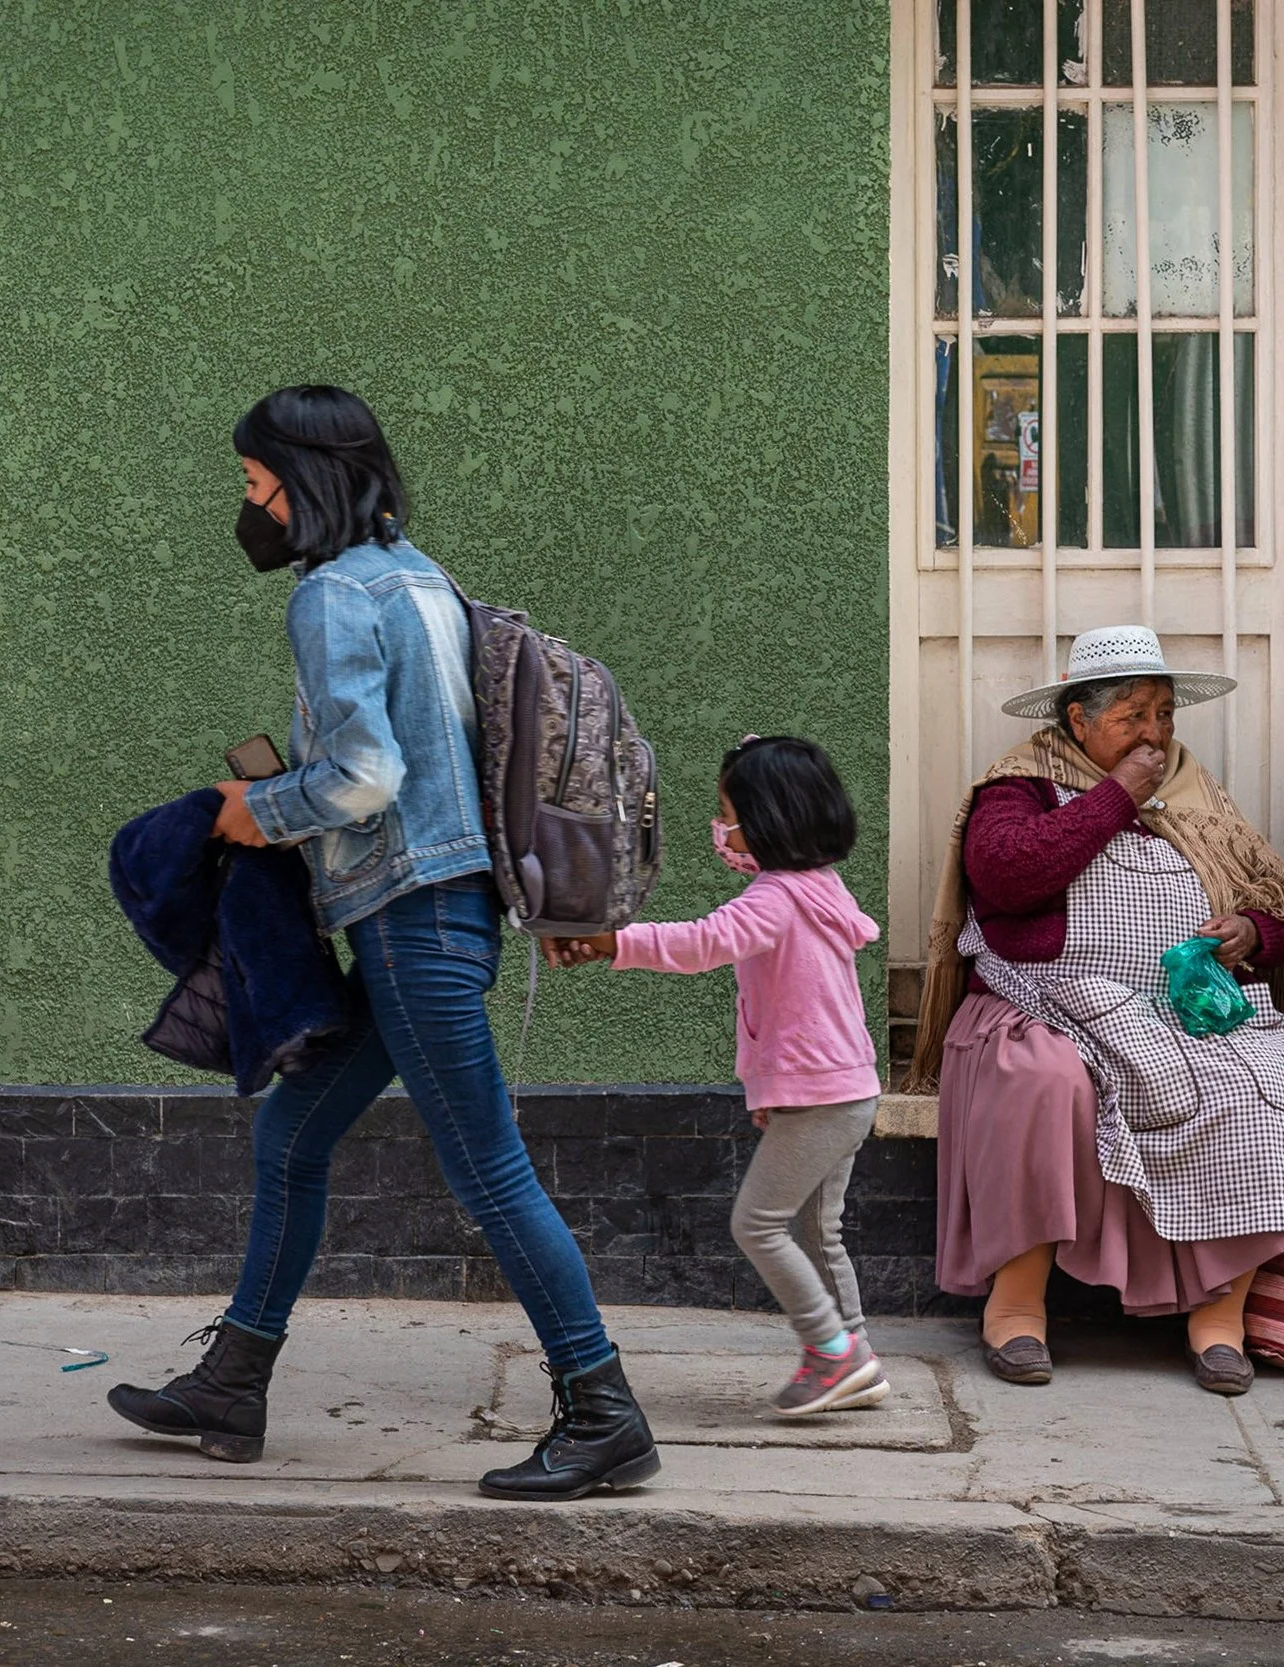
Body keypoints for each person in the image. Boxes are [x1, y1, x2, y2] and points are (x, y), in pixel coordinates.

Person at [104, 384, 658, 1502]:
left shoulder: (331, 597)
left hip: (412, 920)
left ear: (300, 485)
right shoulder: (426, 582)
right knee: (290, 1139)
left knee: (488, 1167)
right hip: (436, 911)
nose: (247, 502)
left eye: (255, 482)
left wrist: (251, 809)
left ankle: (603, 1411)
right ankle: (232, 1380)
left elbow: (364, 778)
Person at [907, 627, 1284, 1396]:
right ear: (1078, 721)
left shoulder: (1198, 800)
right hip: (1039, 1005)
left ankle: (1218, 1317)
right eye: (1133, 715)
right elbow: (1007, 875)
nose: (1156, 733)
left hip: (1174, 1015)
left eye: (1164, 714)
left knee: (1257, 1089)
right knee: (1046, 1080)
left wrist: (1251, 932)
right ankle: (1016, 1307)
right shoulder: (1018, 787)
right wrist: (1118, 795)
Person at [549, 736, 888, 1417]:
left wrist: (615, 939)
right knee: (820, 1232)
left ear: (769, 818)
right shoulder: (819, 888)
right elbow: (796, 1006)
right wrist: (772, 1090)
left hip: (824, 1095)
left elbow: (703, 941)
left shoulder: (775, 898)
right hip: (843, 1089)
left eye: (727, 811)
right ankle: (852, 1354)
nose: (721, 826)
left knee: (757, 1224)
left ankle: (832, 1351)